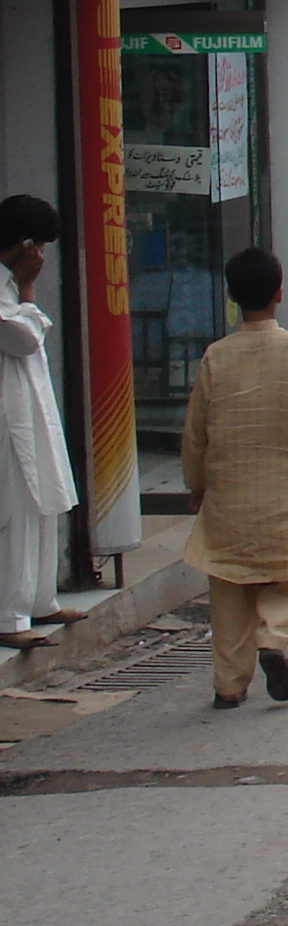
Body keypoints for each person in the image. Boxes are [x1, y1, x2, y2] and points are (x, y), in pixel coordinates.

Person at [182, 249, 288, 710]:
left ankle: (229, 685)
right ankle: (273, 638)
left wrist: (197, 484)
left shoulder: (216, 356)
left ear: (231, 296)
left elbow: (196, 431)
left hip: (227, 498)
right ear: (280, 294)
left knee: (228, 589)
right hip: (287, 495)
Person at [0, 197, 81, 647]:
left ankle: (39, 601)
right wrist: (29, 290)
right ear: (24, 244)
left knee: (43, 502)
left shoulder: (10, 283)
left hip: (28, 413)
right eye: (39, 248)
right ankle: (8, 616)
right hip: (7, 418)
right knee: (15, 510)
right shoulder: (9, 287)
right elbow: (23, 338)